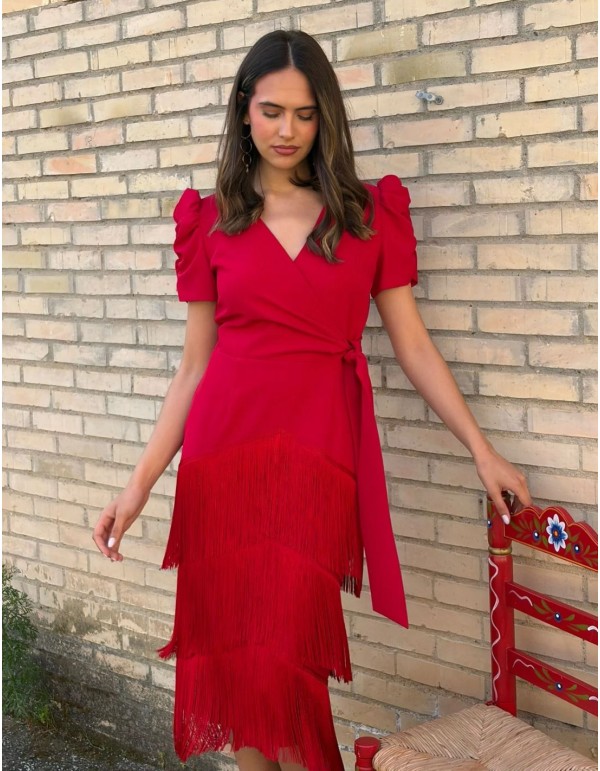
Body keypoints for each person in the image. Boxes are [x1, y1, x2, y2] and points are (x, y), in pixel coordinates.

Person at [92, 29, 531, 771]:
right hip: (221, 465)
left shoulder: (366, 217)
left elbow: (414, 346)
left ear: (325, 117)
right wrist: (136, 487)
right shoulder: (211, 221)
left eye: (303, 114)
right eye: (270, 111)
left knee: (289, 663)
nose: (287, 130)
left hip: (315, 467)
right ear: (244, 112)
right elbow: (194, 368)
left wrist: (480, 448)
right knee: (238, 667)